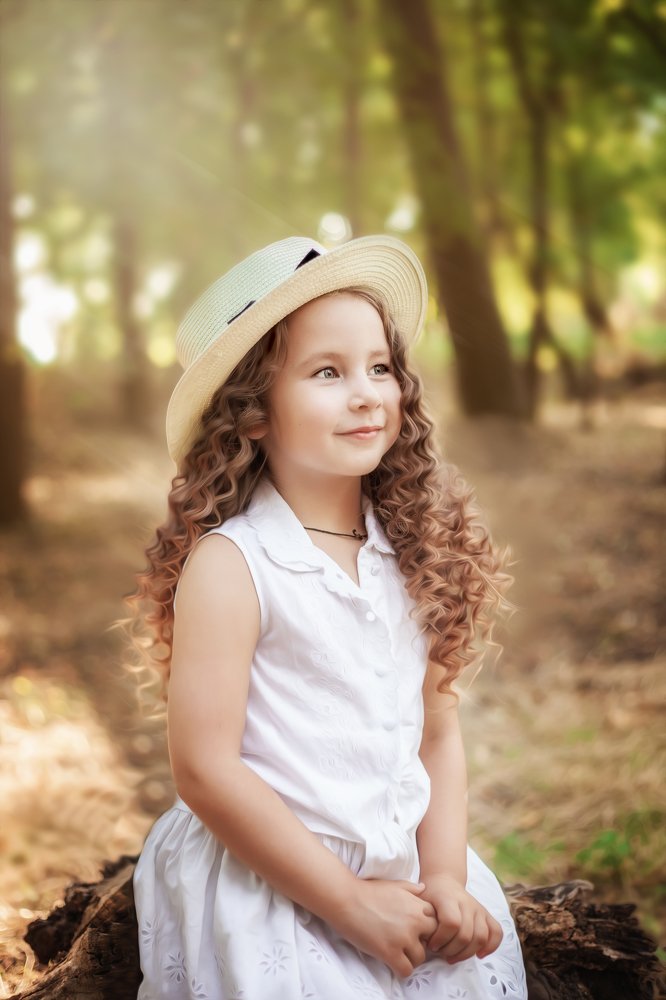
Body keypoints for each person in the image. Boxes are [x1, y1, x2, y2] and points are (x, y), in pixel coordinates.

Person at [127, 234, 528, 999]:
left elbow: (436, 734)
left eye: (380, 367)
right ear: (250, 415)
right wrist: (346, 903)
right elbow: (205, 770)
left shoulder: (412, 550)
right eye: (326, 372)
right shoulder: (234, 563)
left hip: (405, 864)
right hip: (273, 873)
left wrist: (442, 875)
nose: (367, 392)